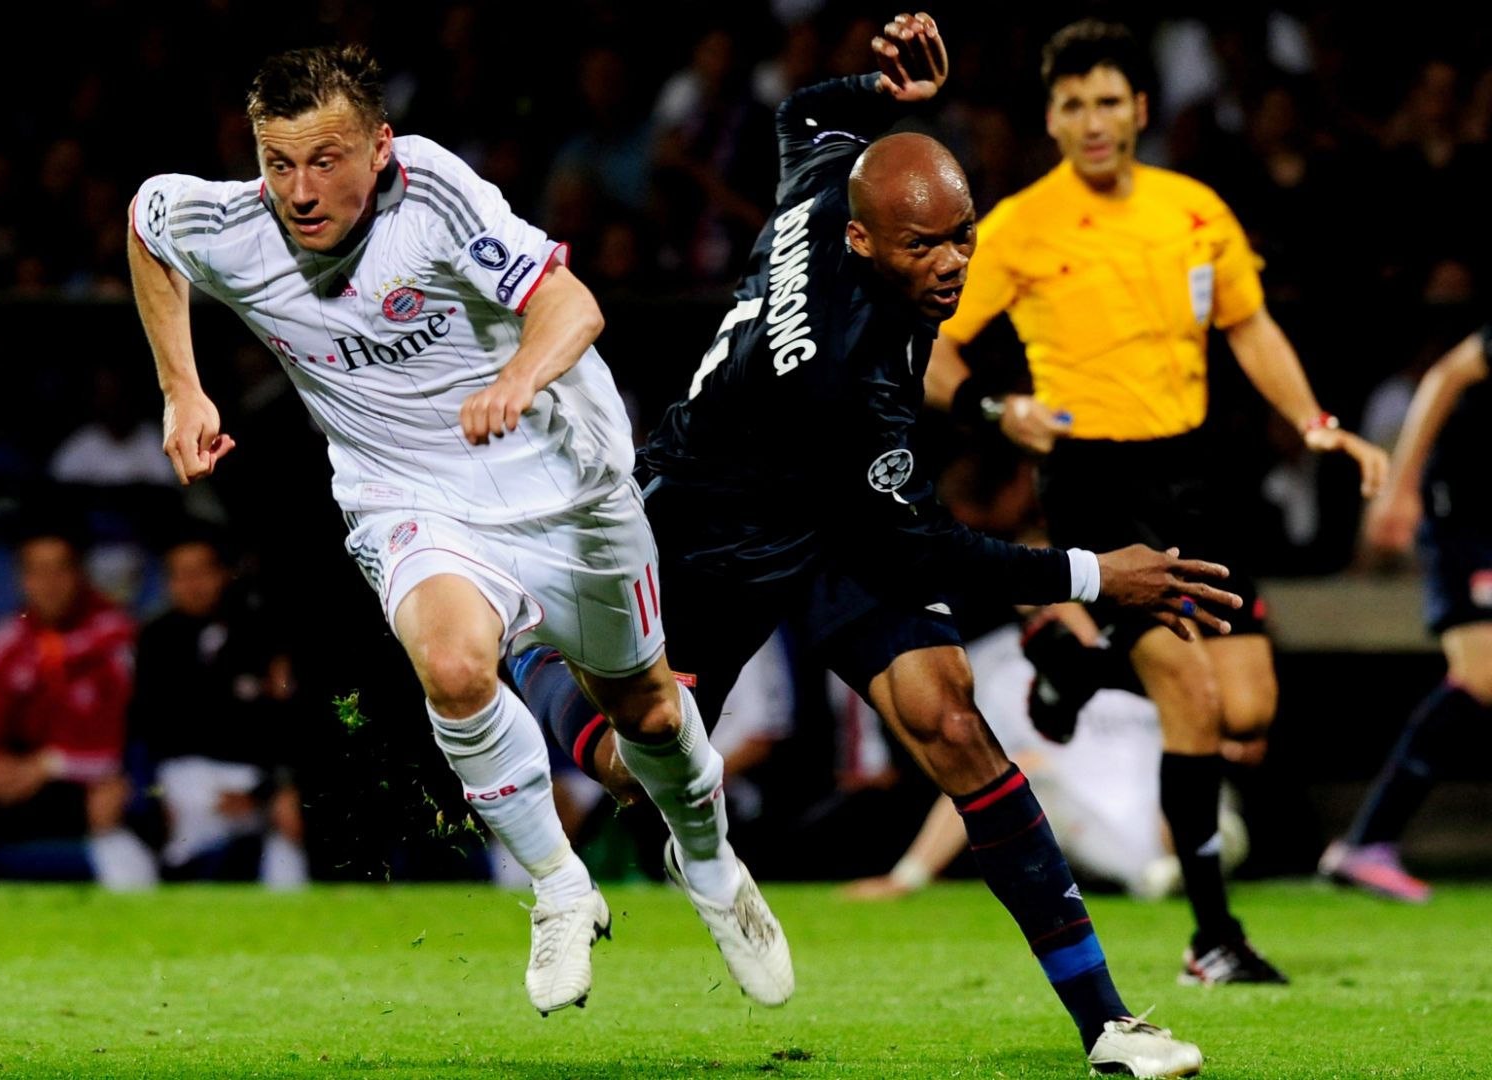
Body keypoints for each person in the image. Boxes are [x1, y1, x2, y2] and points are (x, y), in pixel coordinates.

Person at [510, 14, 1211, 1076]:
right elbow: (928, 552)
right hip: (712, 528)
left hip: (831, 520)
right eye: (923, 247)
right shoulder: (851, 379)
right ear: (865, 240)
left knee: (952, 720)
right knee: (636, 768)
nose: (953, 264)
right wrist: (1094, 574)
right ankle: (532, 654)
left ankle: (1108, 1022)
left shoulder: (821, 183)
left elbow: (805, 113)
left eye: (962, 235)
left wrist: (886, 95)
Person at [126, 44, 790, 1014]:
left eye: (326, 160)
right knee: (451, 665)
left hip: (560, 480)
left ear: (380, 149)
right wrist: (181, 388)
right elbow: (147, 226)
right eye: (277, 162)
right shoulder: (230, 226)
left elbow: (572, 302)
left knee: (645, 714)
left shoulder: (431, 196)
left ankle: (712, 865)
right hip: (409, 495)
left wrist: (519, 376)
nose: (299, 191)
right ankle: (560, 890)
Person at [925, 17, 1388, 985]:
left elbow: (1251, 328)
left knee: (1249, 713)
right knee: (1193, 694)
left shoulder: (1193, 209)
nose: (1091, 122)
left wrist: (1316, 425)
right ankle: (1212, 938)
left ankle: (1071, 675)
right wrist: (995, 409)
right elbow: (931, 348)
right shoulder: (1016, 226)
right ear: (1050, 117)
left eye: (1107, 101)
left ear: (1139, 109)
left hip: (1196, 475)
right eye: (1071, 104)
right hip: (1093, 478)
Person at [840, 619, 1247, 901]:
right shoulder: (1002, 671)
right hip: (1082, 814)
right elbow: (975, 768)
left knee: (1194, 772)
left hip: (1166, 799)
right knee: (1021, 771)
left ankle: (1189, 857)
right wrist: (908, 876)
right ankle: (1169, 870)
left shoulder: (1145, 649)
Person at [1322, 325, 1492, 902]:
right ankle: (1367, 843)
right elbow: (1448, 374)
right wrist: (1401, 485)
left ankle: (1369, 842)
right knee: (1481, 673)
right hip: (1465, 507)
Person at [0, 529, 158, 890]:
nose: (49, 584)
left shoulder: (115, 641)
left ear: (79, 574)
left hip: (83, 784)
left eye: (60, 570)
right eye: (37, 572)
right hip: (21, 786)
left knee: (113, 801)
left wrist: (47, 765)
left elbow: (118, 744)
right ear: (23, 580)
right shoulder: (7, 641)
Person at [129, 531, 307, 885]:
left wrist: (266, 793)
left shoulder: (263, 631)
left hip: (254, 781)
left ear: (224, 573)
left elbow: (289, 725)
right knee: (183, 823)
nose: (192, 584)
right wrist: (152, 796)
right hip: (182, 781)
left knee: (289, 826)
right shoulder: (154, 638)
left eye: (202, 571)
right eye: (180, 574)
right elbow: (141, 731)